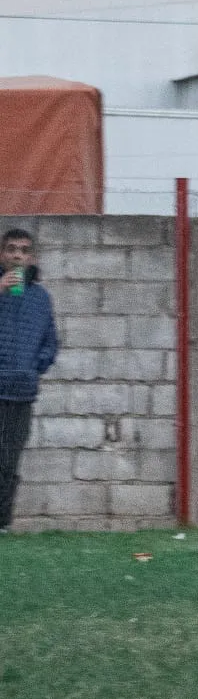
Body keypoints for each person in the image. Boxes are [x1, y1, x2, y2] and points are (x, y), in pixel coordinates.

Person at [0, 229, 58, 535]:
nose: (18, 255)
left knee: (8, 462)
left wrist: (32, 369)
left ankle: (2, 524)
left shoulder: (40, 298)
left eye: (24, 250)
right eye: (11, 249)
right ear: (3, 255)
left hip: (21, 391)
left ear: (31, 257)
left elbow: (51, 342)